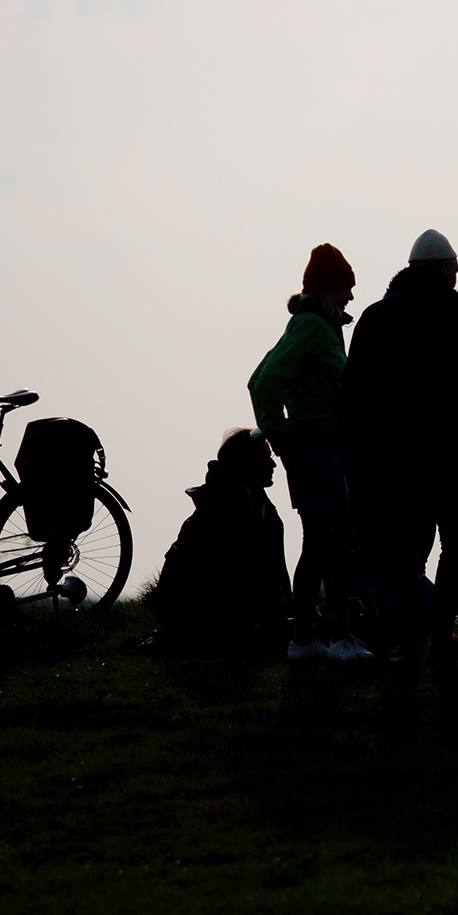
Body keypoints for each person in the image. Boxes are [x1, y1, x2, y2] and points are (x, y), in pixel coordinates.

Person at [342, 229, 458, 667]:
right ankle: (442, 636)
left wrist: (357, 457)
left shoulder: (375, 318)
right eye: (455, 265)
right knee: (457, 544)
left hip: (394, 461)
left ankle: (406, 644)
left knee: (405, 554)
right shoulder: (457, 316)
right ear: (442, 269)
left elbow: (353, 395)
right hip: (447, 456)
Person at [247, 243, 371, 661]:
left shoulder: (315, 327)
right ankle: (339, 639)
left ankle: (305, 640)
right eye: (345, 288)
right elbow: (263, 383)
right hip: (315, 448)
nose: (351, 296)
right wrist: (281, 437)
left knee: (321, 542)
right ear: (328, 290)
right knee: (335, 541)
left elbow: (259, 377)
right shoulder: (313, 327)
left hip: (320, 448)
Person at [146, 428, 292, 657]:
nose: (273, 465)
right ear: (240, 464)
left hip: (206, 612)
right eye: (264, 459)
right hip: (197, 616)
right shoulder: (228, 506)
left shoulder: (253, 502)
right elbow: (244, 573)